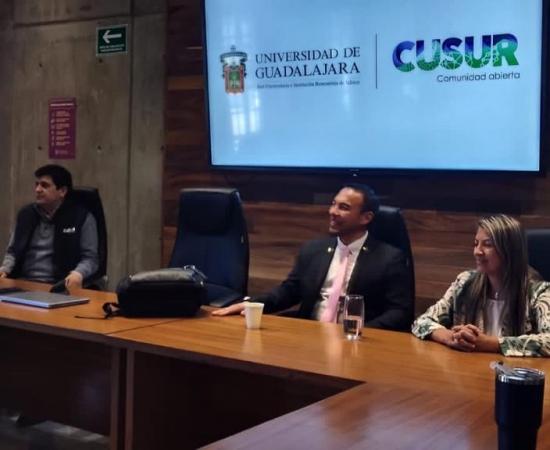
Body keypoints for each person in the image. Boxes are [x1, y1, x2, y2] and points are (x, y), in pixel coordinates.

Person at [213, 183, 413, 331]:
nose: (332, 212)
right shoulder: (313, 250)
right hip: (309, 337)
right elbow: (288, 292)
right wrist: (252, 304)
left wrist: (358, 332)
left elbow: (399, 312)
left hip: (358, 342)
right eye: (333, 204)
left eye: (343, 207)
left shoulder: (389, 258)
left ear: (366, 217)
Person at [412, 214, 550, 357]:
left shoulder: (539, 292)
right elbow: (422, 321)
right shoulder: (465, 283)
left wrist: (491, 344)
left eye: (488, 244)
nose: (477, 252)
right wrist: (451, 337)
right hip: (469, 367)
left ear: (510, 250)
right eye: (476, 243)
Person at [0, 164, 99, 291]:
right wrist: (5, 269)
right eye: (37, 185)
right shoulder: (26, 214)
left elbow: (90, 258)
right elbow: (13, 251)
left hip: (58, 287)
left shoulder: (81, 217)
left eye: (44, 185)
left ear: (62, 191)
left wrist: (78, 273)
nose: (38, 189)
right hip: (22, 283)